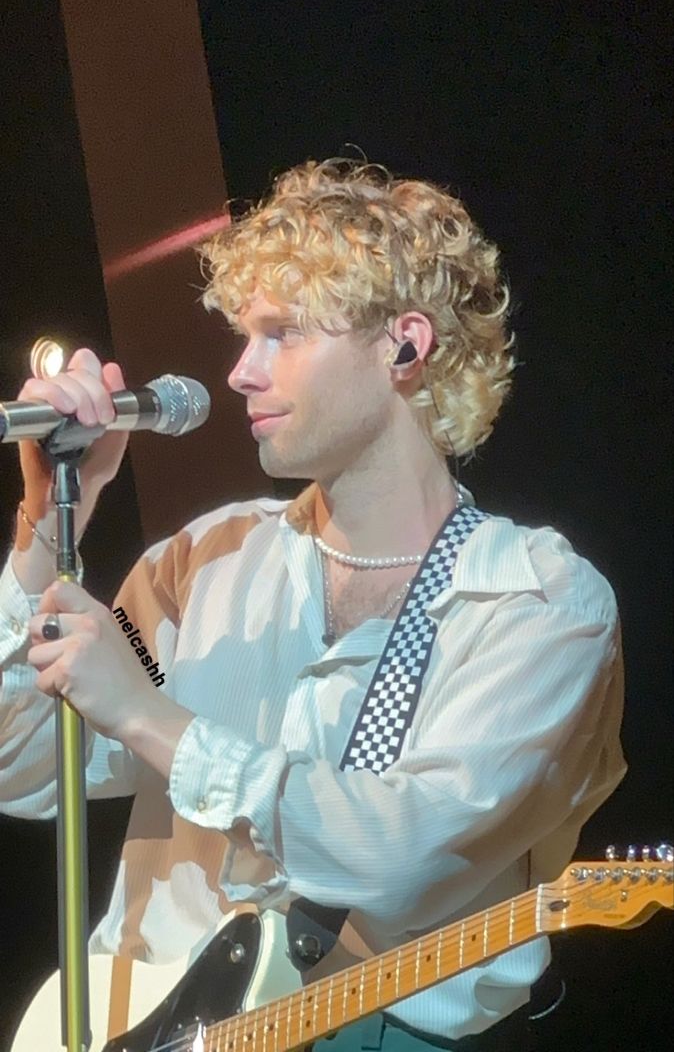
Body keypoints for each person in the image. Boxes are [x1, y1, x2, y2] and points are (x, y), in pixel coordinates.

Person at [0, 158, 625, 1050]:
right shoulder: (202, 560)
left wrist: (147, 716)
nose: (241, 374)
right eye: (244, 340)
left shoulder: (536, 603)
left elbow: (405, 858)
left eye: (280, 334)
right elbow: (21, 767)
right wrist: (42, 526)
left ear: (404, 346)